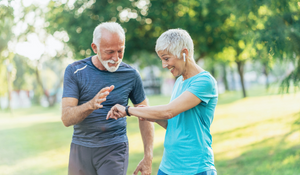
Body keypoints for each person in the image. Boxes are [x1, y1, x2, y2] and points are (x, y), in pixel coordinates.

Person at [107, 29, 218, 175]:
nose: (164, 65)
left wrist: (128, 110)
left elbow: (169, 111)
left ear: (184, 53)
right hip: (168, 167)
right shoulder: (179, 82)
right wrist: (145, 113)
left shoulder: (204, 82)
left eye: (166, 58)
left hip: (195, 167)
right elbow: (172, 124)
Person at [61, 22, 154, 175]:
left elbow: (146, 114)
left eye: (120, 51)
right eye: (110, 52)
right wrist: (90, 105)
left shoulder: (131, 75)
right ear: (95, 48)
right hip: (80, 148)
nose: (116, 58)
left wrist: (148, 157)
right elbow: (66, 118)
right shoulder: (75, 71)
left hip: (114, 148)